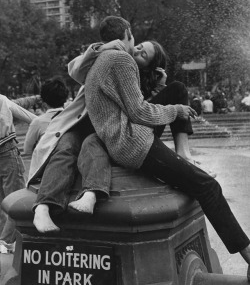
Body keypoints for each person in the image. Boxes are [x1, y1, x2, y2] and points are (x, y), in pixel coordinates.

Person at [81, 16, 250, 279]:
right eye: (135, 39)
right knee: (207, 186)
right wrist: (176, 110)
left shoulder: (99, 60)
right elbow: (137, 111)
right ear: (127, 32)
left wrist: (161, 90)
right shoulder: (121, 59)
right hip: (133, 143)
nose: (135, 45)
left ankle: (184, 154)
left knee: (202, 184)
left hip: (123, 140)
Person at [28, 42, 201, 233]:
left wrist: (159, 86)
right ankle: (42, 208)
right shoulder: (109, 58)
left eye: (144, 55)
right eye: (140, 46)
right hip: (84, 123)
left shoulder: (136, 78)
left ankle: (183, 154)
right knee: (66, 147)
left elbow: (141, 112)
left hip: (110, 131)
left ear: (149, 66)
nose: (138, 50)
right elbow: (75, 68)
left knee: (91, 144)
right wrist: (104, 47)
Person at [0, 94, 37, 253]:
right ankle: (5, 241)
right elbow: (31, 118)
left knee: (3, 203)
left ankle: (4, 241)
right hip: (6, 150)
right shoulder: (1, 100)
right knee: (17, 201)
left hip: (6, 149)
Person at [24, 77, 69, 155]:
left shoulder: (38, 122)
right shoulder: (72, 118)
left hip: (46, 164)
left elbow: (27, 150)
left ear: (43, 102)